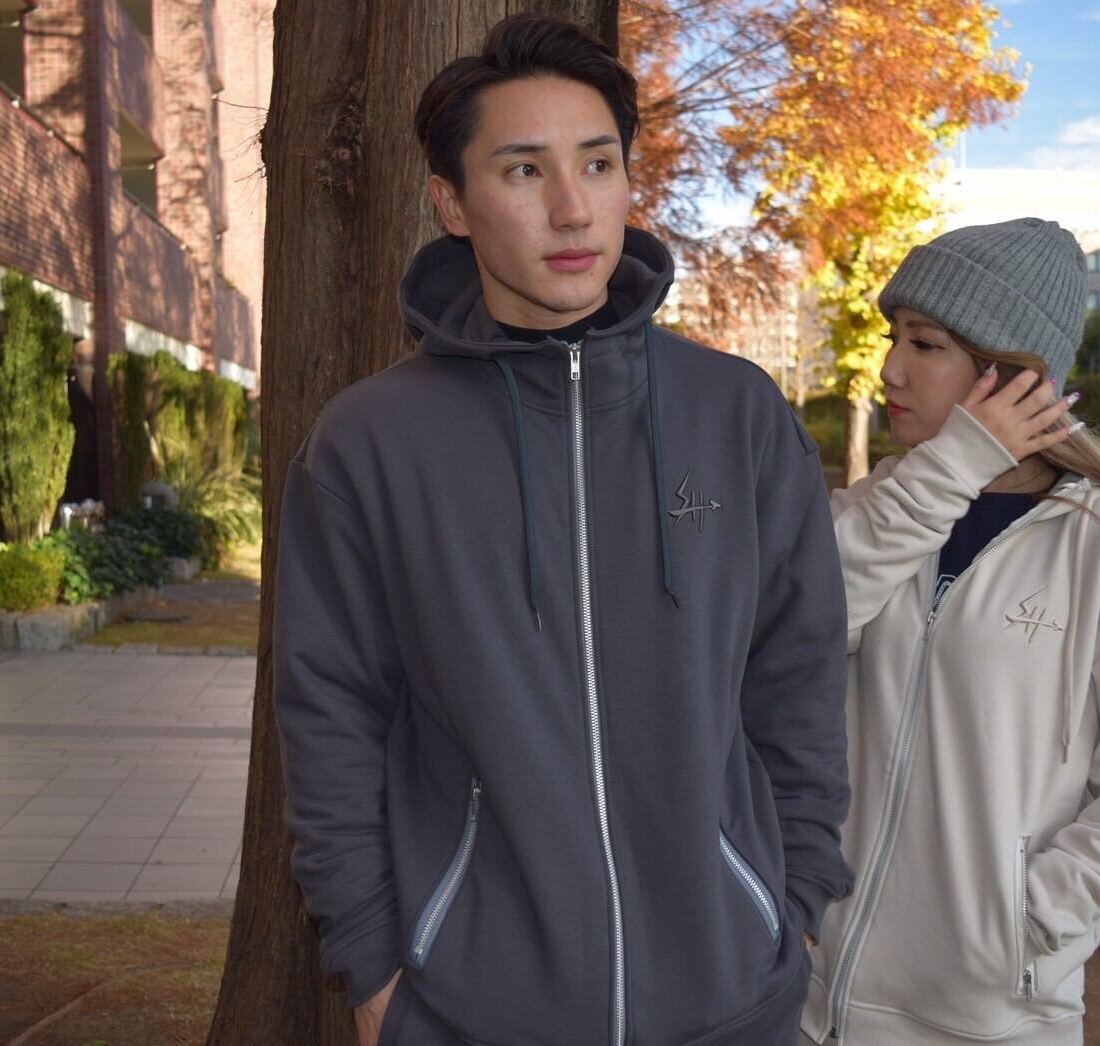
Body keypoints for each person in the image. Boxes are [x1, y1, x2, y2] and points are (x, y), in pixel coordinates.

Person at [273, 14, 851, 1046]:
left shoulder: (738, 416)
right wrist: (371, 963)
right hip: (468, 1010)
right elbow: (330, 713)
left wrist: (790, 908)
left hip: (731, 1000)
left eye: (597, 163)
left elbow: (798, 677)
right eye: (523, 170)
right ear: (451, 202)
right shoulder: (368, 445)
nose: (572, 207)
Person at [802, 218, 1100, 1044]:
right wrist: (954, 468)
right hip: (820, 1007)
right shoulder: (876, 510)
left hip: (992, 1017)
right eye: (894, 338)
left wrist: (1035, 919)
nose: (890, 368)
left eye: (925, 344)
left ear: (1011, 377)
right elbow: (797, 632)